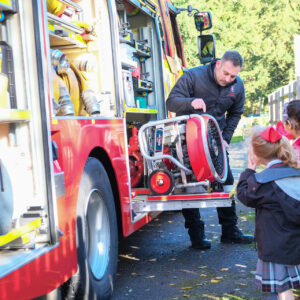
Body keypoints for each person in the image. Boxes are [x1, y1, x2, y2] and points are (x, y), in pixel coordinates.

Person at [166, 50, 253, 249]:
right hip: (189, 141)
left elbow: (236, 113)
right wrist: (190, 102)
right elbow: (171, 101)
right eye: (226, 73)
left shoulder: (237, 86)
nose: (228, 79)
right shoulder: (192, 76)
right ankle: (196, 237)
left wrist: (226, 139)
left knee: (226, 183)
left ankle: (230, 232)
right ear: (218, 64)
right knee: (190, 187)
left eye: (233, 76)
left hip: (216, 142)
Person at [236, 126, 300, 300]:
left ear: (257, 155)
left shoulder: (262, 182)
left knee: (282, 289)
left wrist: (249, 170)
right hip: (296, 243)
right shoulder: (297, 172)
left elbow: (243, 195)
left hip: (276, 247)